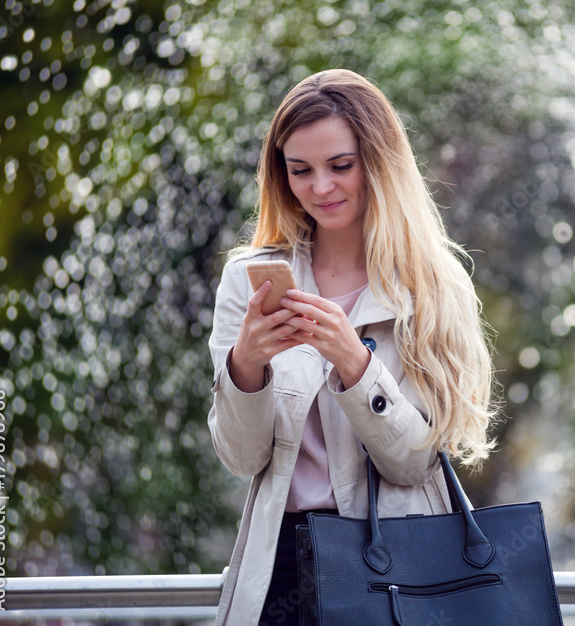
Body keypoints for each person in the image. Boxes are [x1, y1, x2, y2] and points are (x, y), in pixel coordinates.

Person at [206, 69, 497, 625]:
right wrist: (246, 368)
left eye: (340, 166)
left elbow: (415, 461)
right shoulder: (249, 280)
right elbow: (242, 458)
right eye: (300, 170)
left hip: (398, 562)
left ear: (378, 163)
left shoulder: (430, 285)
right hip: (281, 567)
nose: (321, 188)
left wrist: (354, 364)